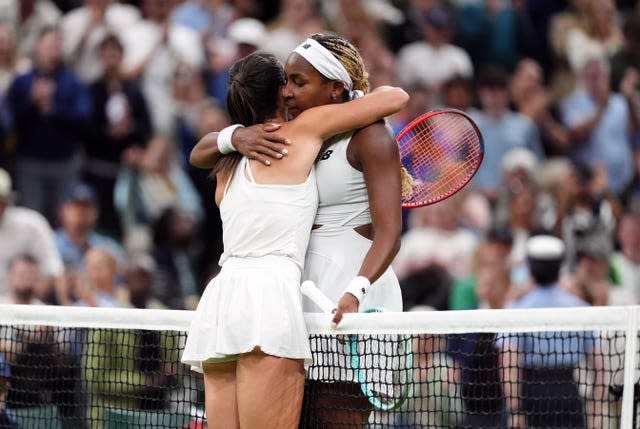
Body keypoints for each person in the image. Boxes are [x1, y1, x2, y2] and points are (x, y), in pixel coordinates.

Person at [188, 33, 406, 427]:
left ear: (336, 86)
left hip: (338, 295)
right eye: (285, 81)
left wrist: (356, 289)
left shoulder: (366, 135)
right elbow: (199, 150)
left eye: (298, 82)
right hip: (288, 297)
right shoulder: (295, 134)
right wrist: (235, 134)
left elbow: (389, 233)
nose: (288, 92)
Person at [497, 234, 604, 429]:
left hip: (532, 398)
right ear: (560, 266)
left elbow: (509, 363)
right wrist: (595, 411)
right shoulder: (580, 308)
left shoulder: (516, 310)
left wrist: (515, 411)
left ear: (529, 266)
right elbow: (601, 366)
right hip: (568, 396)